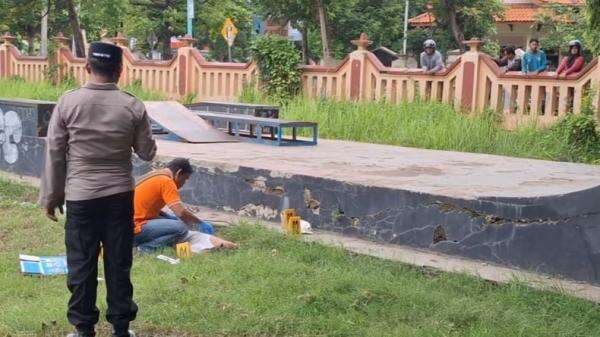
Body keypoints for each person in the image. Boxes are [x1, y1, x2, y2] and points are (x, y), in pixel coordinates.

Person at [39, 42, 156, 337]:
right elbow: (146, 153)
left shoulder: (67, 102)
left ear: (87, 67)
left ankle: (83, 329)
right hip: (119, 197)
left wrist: (51, 197)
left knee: (81, 262)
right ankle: (120, 328)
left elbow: (54, 152)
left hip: (81, 197)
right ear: (120, 70)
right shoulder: (133, 105)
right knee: (119, 261)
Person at [133, 158, 237, 252]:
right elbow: (181, 212)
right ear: (179, 173)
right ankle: (145, 249)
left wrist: (168, 217)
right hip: (133, 229)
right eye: (185, 179)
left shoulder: (154, 176)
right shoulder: (166, 181)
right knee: (180, 227)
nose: (184, 183)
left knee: (174, 224)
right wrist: (199, 223)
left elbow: (146, 208)